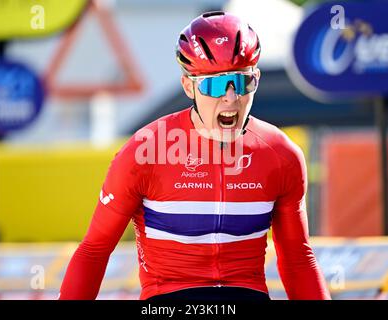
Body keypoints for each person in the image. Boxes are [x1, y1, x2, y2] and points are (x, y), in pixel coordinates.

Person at [59, 11, 331, 300]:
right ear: (188, 85)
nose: (230, 98)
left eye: (241, 82)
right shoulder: (144, 152)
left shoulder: (281, 154)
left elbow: (297, 259)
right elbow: (94, 252)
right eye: (213, 85)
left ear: (257, 80)